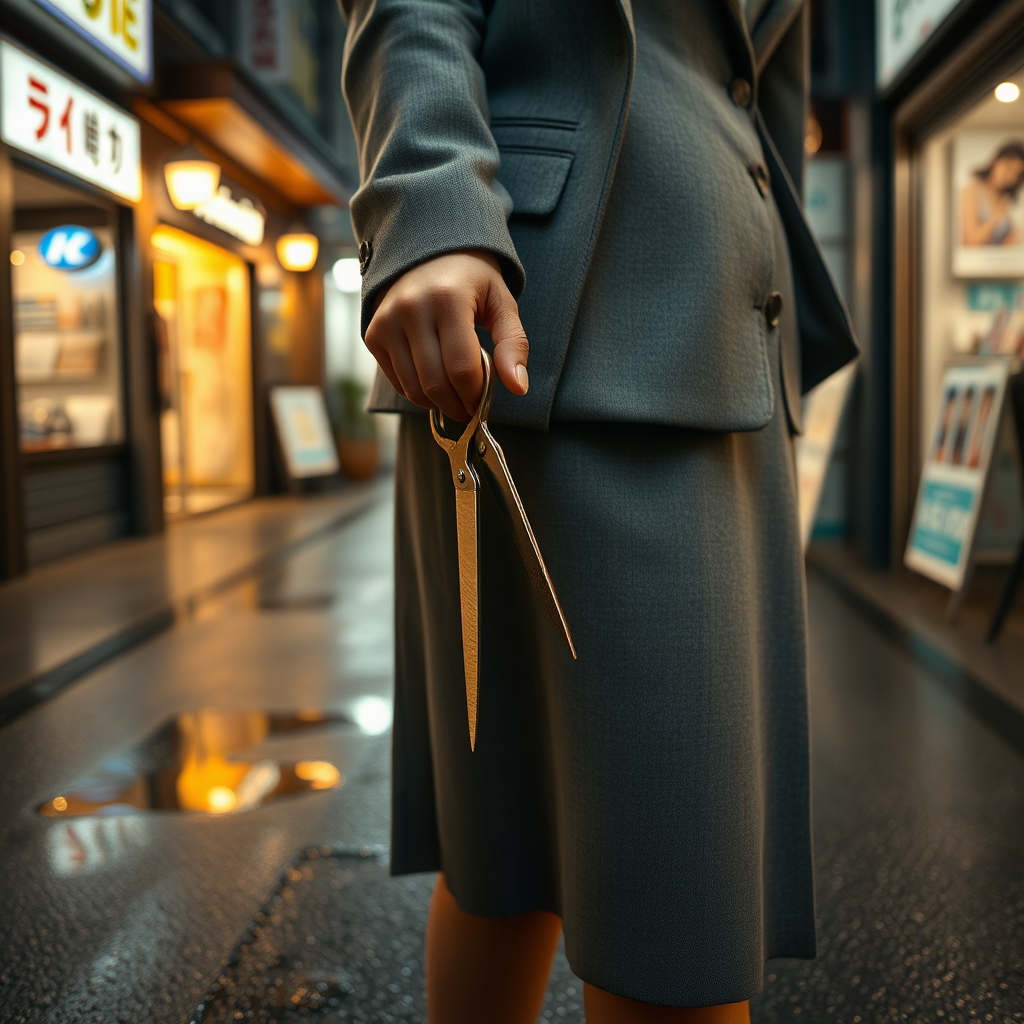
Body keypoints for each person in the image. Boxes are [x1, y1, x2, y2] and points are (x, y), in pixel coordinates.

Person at [339, 1, 858, 1021]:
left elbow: (754, 74)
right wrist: (431, 208)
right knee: (556, 870)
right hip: (522, 322)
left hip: (726, 331)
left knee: (578, 866)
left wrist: (783, 330)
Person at [961, 141, 1024, 247]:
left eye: (1016, 174)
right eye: (1009, 167)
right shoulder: (972, 190)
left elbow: (1010, 241)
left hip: (999, 260)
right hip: (976, 261)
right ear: (996, 161)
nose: (1010, 176)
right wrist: (996, 217)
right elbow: (971, 241)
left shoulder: (1004, 197)